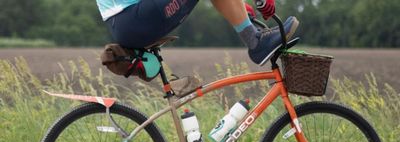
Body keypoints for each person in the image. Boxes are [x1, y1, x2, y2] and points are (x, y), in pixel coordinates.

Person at [96, 0, 298, 65]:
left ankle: (252, 37)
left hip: (128, 19)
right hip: (133, 17)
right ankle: (255, 42)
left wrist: (234, 6)